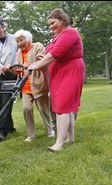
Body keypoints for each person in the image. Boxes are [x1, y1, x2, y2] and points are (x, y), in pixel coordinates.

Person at [28, 8, 85, 152]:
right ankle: (70, 138)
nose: (51, 26)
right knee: (67, 106)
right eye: (49, 24)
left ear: (62, 20)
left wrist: (37, 65)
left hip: (70, 71)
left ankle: (59, 143)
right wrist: (32, 63)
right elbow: (47, 53)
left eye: (53, 23)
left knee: (62, 107)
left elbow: (54, 54)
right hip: (60, 73)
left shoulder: (70, 33)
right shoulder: (58, 36)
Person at [13, 30, 55, 142]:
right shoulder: (18, 52)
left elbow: (43, 61)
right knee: (26, 109)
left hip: (38, 84)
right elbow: (21, 67)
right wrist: (18, 70)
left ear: (28, 39)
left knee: (43, 109)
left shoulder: (38, 46)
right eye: (17, 41)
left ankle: (50, 129)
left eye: (21, 40)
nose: (19, 43)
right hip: (25, 86)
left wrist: (29, 65)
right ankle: (31, 134)